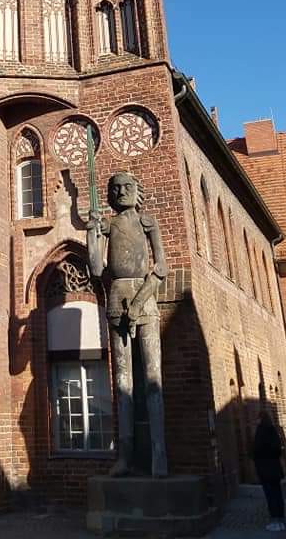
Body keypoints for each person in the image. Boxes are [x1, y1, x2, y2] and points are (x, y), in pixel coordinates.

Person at [86, 171, 168, 477]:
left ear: (138, 191)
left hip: (144, 296)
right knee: (122, 382)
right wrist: (91, 234)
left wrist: (139, 302)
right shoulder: (107, 225)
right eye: (115, 188)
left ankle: (159, 453)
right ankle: (126, 455)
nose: (121, 192)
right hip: (117, 294)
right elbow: (96, 268)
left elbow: (161, 267)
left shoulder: (147, 223)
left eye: (127, 187)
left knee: (152, 377)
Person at [253, 411, 286, 531]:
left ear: (260, 419)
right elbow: (278, 449)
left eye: (257, 418)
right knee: (278, 494)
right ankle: (281, 520)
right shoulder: (273, 430)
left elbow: (256, 450)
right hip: (275, 469)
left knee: (270, 495)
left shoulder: (261, 431)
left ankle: (275, 520)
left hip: (265, 469)